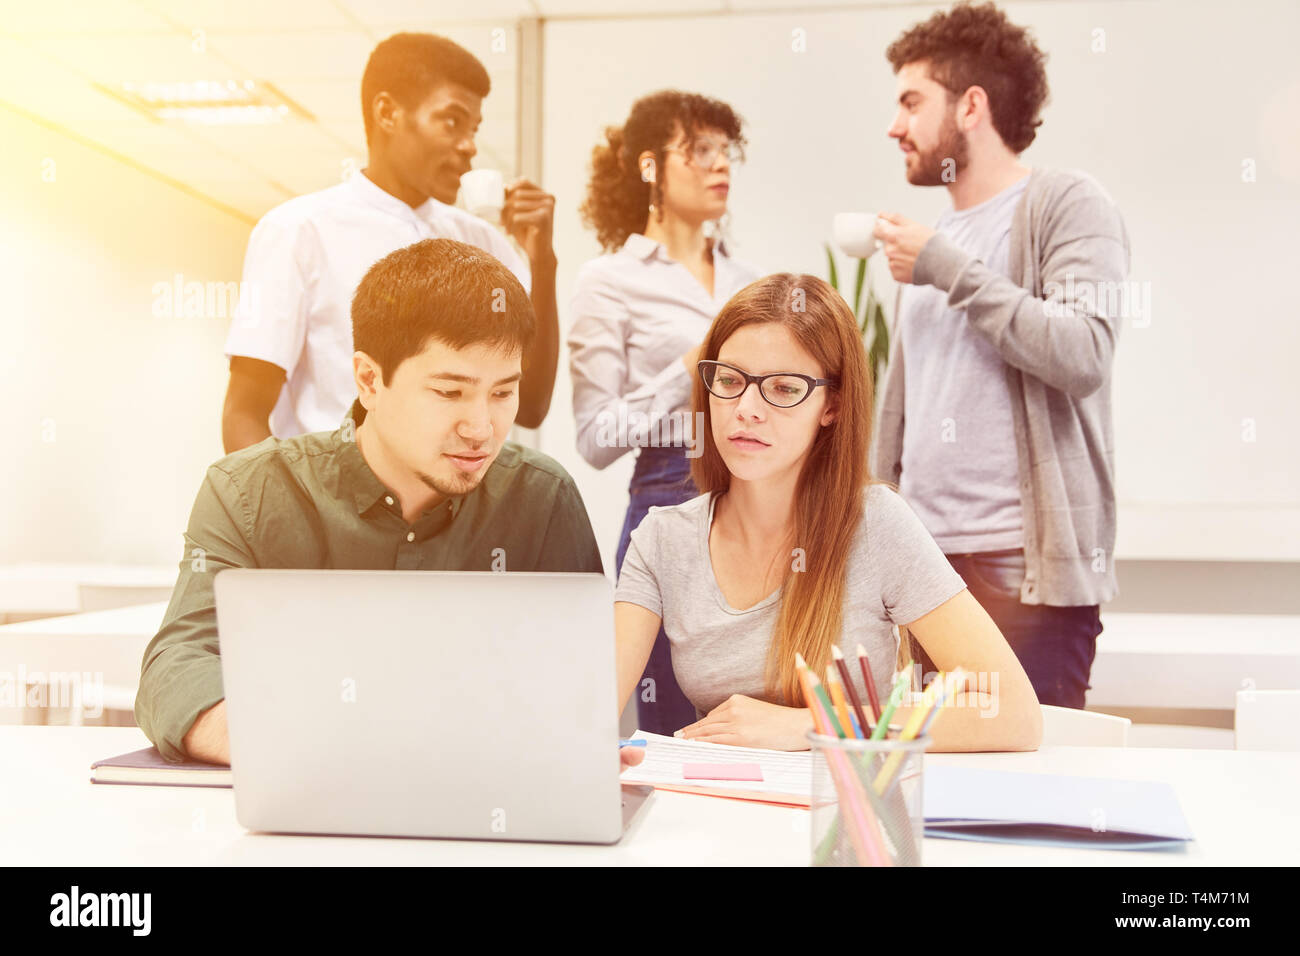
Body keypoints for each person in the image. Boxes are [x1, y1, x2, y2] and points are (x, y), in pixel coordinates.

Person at [138, 239, 602, 765]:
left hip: (485, 807)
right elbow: (175, 667)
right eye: (449, 393)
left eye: (502, 393)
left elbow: (578, 681)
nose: (481, 429)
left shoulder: (542, 499)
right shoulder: (249, 492)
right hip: (302, 794)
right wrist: (293, 741)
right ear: (369, 380)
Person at [613, 274, 1042, 752]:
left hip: (849, 811)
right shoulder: (661, 539)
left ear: (832, 405)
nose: (747, 409)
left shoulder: (877, 523)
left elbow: (1013, 713)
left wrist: (808, 726)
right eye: (730, 381)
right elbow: (587, 712)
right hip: (727, 815)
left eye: (782, 387)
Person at [871, 1, 1130, 708]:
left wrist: (947, 267)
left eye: (911, 101)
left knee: (1029, 803)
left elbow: (1082, 352)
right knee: (934, 797)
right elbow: (900, 417)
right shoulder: (930, 247)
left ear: (972, 106)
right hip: (926, 574)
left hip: (1024, 579)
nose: (895, 126)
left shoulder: (1067, 203)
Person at [221, 32, 560, 452]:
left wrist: (543, 262)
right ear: (387, 113)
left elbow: (530, 408)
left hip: (460, 508)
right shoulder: (299, 229)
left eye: (474, 129)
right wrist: (284, 514)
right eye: (452, 121)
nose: (470, 146)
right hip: (334, 501)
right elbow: (244, 413)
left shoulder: (482, 241)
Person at [569, 90, 761, 736]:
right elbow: (596, 438)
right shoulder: (607, 281)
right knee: (663, 726)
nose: (720, 165)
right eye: (699, 150)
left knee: (756, 712)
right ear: (649, 167)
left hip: (764, 503)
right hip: (668, 503)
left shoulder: (751, 283)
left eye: (725, 150)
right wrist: (691, 368)